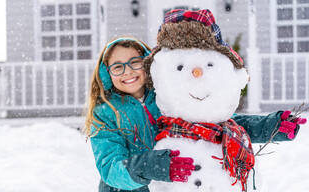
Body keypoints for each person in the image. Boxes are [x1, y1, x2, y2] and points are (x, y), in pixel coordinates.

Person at [84, 36, 305, 192]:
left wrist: (271, 126)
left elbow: (219, 126)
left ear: (148, 64)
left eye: (135, 62)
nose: (128, 71)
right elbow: (110, 168)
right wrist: (147, 166)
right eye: (117, 67)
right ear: (106, 73)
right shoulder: (105, 113)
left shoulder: (166, 96)